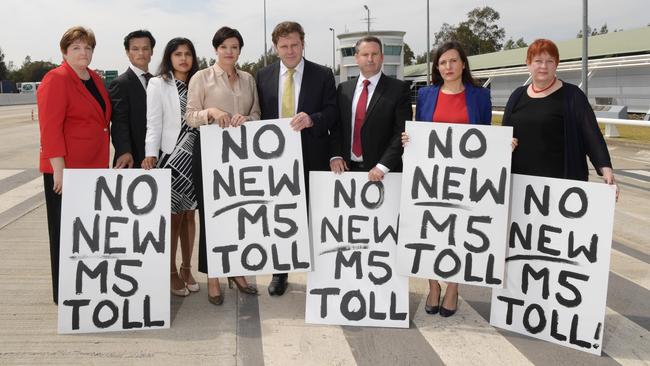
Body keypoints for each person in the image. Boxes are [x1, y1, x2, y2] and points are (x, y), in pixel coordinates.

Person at [403, 41, 492, 317]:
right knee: (430, 232)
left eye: (453, 61)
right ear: (437, 67)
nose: (448, 67)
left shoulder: (479, 96)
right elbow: (420, 131)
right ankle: (433, 286)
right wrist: (410, 139)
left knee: (458, 233)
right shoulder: (427, 94)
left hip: (466, 178)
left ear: (463, 64)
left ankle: (453, 286)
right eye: (443, 62)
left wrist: (503, 146)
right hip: (431, 178)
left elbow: (486, 134)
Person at [256, 21, 337, 296]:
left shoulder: (323, 74)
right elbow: (258, 115)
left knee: (314, 217)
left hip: (312, 156)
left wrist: (312, 119)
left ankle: (321, 274)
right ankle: (280, 272)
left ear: (303, 44)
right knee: (281, 218)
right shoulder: (262, 75)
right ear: (276, 48)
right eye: (284, 46)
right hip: (276, 161)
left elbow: (333, 112)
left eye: (294, 44)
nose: (290, 51)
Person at [186, 27, 261, 306]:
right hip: (209, 154)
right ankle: (214, 277)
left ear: (240, 50)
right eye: (224, 47)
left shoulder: (248, 79)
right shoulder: (201, 78)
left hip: (241, 157)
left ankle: (237, 271)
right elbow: (190, 116)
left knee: (237, 213)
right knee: (212, 216)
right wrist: (212, 113)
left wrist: (247, 119)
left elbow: (257, 113)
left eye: (235, 47)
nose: (230, 52)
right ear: (216, 49)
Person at [37, 26, 112, 304]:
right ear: (65, 52)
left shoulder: (94, 78)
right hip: (65, 171)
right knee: (63, 232)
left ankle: (85, 284)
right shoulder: (55, 79)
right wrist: (59, 169)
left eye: (88, 47)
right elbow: (50, 128)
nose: (84, 53)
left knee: (85, 232)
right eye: (77, 48)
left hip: (93, 168)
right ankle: (64, 293)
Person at [504, 39, 616, 193]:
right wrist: (506, 143)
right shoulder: (517, 95)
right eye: (538, 61)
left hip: (559, 185)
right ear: (528, 63)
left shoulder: (573, 96)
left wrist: (606, 169)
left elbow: (591, 135)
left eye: (550, 61)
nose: (544, 66)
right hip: (519, 182)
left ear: (556, 64)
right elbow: (505, 133)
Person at [141, 37, 200, 297]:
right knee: (173, 217)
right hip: (171, 156)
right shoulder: (158, 83)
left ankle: (188, 268)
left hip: (196, 156)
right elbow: (153, 122)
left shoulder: (199, 80)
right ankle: (171, 272)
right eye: (178, 54)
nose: (183, 58)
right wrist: (150, 153)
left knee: (190, 215)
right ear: (169, 57)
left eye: (188, 54)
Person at [330, 36, 412, 180]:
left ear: (382, 57)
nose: (370, 59)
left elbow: (401, 132)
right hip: (346, 171)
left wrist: (382, 166)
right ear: (356, 57)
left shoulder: (399, 89)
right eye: (365, 54)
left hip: (384, 173)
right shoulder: (344, 89)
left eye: (374, 54)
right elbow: (337, 127)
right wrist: (335, 155)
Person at [109, 30, 156, 169]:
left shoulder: (158, 82)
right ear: (127, 52)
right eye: (135, 49)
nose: (141, 53)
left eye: (145, 48)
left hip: (157, 157)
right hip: (132, 159)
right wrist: (124, 151)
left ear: (152, 52)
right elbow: (119, 121)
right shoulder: (120, 83)